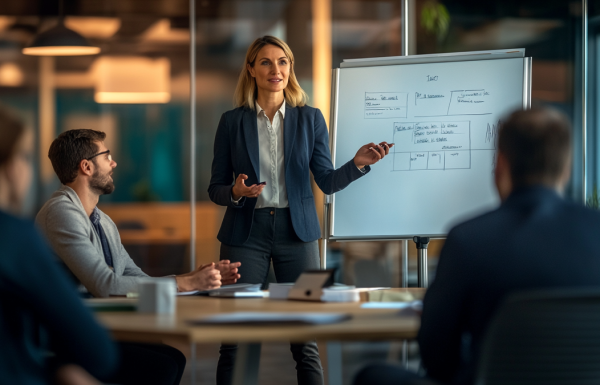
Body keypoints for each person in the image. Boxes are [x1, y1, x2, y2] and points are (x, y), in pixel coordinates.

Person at [354, 106, 600, 385]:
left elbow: (438, 358)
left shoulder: (468, 239)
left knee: (371, 377)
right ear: (566, 168)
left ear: (501, 164)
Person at [209, 35, 393, 385]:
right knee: (234, 337)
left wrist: (357, 164)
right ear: (250, 69)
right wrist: (234, 191)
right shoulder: (232, 122)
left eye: (282, 61)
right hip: (244, 236)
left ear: (290, 68)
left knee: (305, 338)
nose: (274, 69)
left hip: (298, 234)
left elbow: (326, 181)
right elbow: (215, 188)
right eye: (265, 61)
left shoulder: (310, 119)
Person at [35, 128, 240, 385]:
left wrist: (195, 277)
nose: (114, 163)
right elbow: (106, 286)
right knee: (162, 366)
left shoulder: (103, 221)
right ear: (86, 167)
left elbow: (134, 277)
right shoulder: (62, 213)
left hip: (95, 325)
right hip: (65, 335)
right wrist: (186, 283)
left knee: (173, 358)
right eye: (106, 155)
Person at [0, 106, 118, 385]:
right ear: (10, 167)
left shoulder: (104, 221)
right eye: (24, 157)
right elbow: (100, 353)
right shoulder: (14, 238)